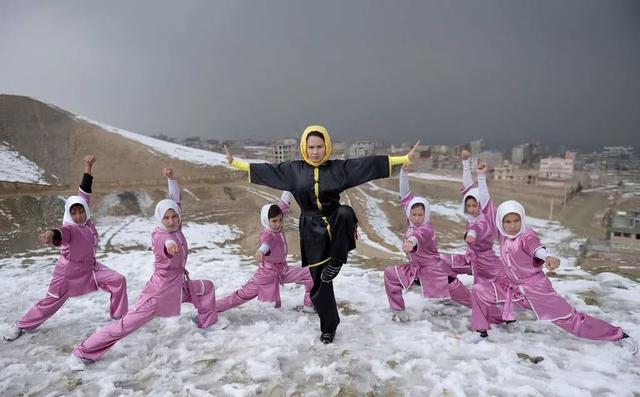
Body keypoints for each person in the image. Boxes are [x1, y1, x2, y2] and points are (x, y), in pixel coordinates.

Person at [226, 125, 416, 343]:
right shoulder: (293, 170)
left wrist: (403, 159)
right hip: (311, 230)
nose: (315, 151)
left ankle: (336, 260)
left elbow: (367, 165)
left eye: (319, 146)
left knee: (346, 212)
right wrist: (235, 163)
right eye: (311, 147)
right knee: (319, 283)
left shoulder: (338, 169)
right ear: (304, 148)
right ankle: (328, 326)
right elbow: (267, 171)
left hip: (335, 222)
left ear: (326, 146)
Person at [65, 167, 224, 371]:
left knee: (206, 288)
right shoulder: (161, 235)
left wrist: (172, 179)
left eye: (174, 217)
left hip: (178, 286)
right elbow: (165, 244)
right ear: (159, 219)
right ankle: (81, 352)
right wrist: (170, 247)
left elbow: (176, 201)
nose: (171, 221)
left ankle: (207, 321)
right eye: (166, 218)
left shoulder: (176, 228)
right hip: (159, 293)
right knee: (124, 326)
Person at [470, 163, 637, 355]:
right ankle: (481, 332)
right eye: (508, 221)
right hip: (512, 288)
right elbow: (487, 204)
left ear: (522, 219)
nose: (513, 225)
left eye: (516, 220)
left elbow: (536, 248)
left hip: (536, 290)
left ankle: (618, 335)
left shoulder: (526, 236)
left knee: (573, 322)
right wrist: (481, 176)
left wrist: (547, 257)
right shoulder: (502, 234)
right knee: (480, 291)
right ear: (501, 222)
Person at [5, 155, 128, 342]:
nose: (78, 215)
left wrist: (88, 166)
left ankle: (119, 318)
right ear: (69, 214)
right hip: (68, 273)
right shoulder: (69, 228)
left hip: (90, 268)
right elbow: (60, 233)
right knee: (50, 302)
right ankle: (21, 325)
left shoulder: (86, 222)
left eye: (80, 211)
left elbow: (84, 192)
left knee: (118, 280)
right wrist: (50, 233)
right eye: (74, 213)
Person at [383, 164, 471, 322]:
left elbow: (417, 236)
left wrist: (410, 242)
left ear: (426, 214)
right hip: (417, 270)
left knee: (469, 300)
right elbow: (405, 197)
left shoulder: (426, 229)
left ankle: (497, 314)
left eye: (420, 215)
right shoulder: (411, 220)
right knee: (390, 274)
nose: (417, 218)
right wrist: (403, 172)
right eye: (414, 214)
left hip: (435, 273)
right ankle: (398, 310)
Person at [216, 191, 314, 313]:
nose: (278, 224)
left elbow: (282, 205)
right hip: (266, 276)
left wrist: (289, 187)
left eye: (280, 220)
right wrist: (261, 252)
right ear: (266, 221)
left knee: (310, 274)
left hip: (283, 271)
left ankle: (309, 306)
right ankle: (210, 309)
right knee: (240, 297)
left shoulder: (276, 221)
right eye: (274, 221)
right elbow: (265, 245)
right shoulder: (268, 235)